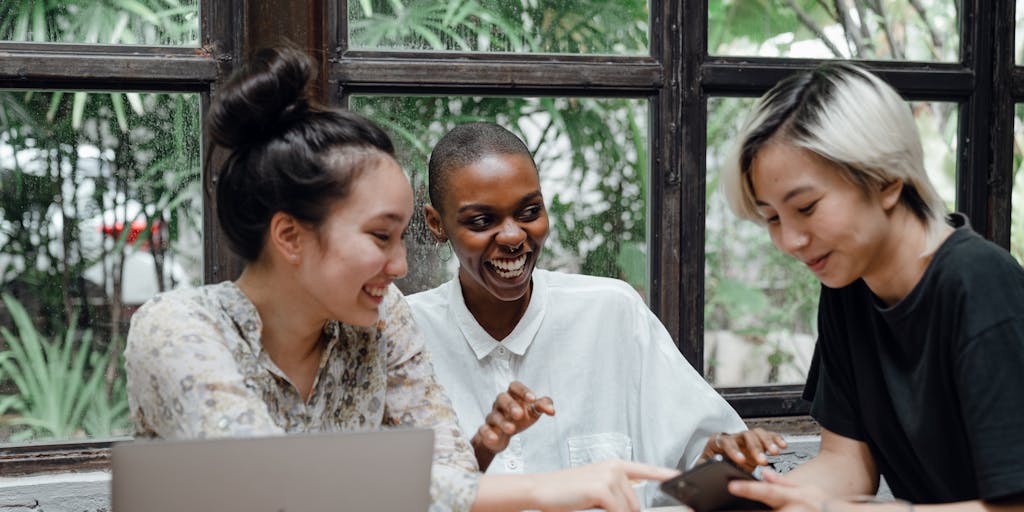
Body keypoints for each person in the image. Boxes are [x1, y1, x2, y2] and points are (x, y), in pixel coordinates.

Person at [123, 46, 677, 512]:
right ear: (289, 237)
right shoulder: (179, 329)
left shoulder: (382, 319)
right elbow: (265, 481)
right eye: (380, 237)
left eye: (403, 237)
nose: (400, 267)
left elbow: (450, 475)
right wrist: (542, 488)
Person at [406, 121, 784, 505]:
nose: (513, 237)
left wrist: (723, 456)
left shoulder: (611, 312)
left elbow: (697, 454)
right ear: (437, 224)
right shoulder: (407, 336)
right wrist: (483, 451)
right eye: (482, 221)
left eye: (529, 211)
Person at [717, 62, 1024, 510]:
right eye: (772, 218)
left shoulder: (980, 285)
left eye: (806, 207)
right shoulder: (848, 284)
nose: (790, 241)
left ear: (885, 180)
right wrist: (757, 499)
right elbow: (847, 463)